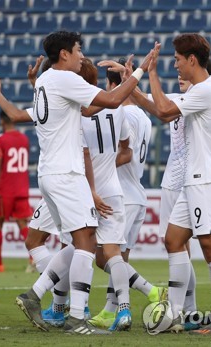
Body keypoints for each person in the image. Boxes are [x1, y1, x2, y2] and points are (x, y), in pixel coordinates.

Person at [0, 30, 154, 335]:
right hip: (68, 174)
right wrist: (141, 70)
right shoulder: (64, 79)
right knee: (87, 241)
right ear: (64, 53)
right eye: (78, 49)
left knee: (79, 240)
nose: (81, 55)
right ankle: (76, 315)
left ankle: (35, 295)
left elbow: (89, 109)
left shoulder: (46, 83)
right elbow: (115, 98)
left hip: (51, 173)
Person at [145, 34, 211, 335]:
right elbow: (160, 108)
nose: (176, 65)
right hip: (191, 182)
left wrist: (152, 73)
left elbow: (162, 111)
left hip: (205, 181)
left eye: (178, 60)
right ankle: (175, 312)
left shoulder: (209, 90)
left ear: (192, 60)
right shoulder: (199, 91)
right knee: (173, 240)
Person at [88, 59, 167, 330]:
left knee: (104, 257)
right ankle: (113, 310)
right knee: (118, 258)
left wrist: (99, 167)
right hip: (137, 192)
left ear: (114, 86)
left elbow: (124, 152)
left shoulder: (123, 114)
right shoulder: (143, 117)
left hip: (121, 192)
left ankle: (149, 292)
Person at [0, 109, 33, 273]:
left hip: (5, 189)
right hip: (22, 187)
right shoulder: (24, 139)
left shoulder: (0, 139)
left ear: (2, 121)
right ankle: (33, 260)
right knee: (22, 224)